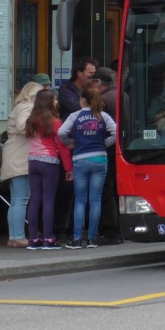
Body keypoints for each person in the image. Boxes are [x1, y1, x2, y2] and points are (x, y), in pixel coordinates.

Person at [58, 83, 117, 249]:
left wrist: (70, 142)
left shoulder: (74, 116)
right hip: (100, 159)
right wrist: (104, 143)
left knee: (80, 200)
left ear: (83, 99)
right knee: (96, 199)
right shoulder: (102, 116)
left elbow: (61, 132)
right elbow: (116, 133)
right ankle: (92, 238)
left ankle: (77, 238)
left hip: (80, 159)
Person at [25, 89, 72, 250]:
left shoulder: (30, 120)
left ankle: (33, 239)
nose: (56, 102)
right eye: (54, 100)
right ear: (48, 102)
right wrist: (68, 168)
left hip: (33, 161)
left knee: (35, 199)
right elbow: (62, 147)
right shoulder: (54, 121)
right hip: (49, 161)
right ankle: (48, 238)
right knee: (48, 200)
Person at [2, 82, 40, 248]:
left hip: (14, 156)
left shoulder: (19, 106)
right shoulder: (26, 107)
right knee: (21, 199)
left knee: (17, 199)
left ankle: (14, 236)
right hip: (20, 158)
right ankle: (18, 236)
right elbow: (23, 127)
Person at [93, 67, 122, 245]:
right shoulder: (123, 95)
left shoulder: (102, 100)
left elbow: (97, 126)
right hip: (120, 149)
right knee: (116, 190)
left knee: (105, 190)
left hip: (106, 150)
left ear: (98, 83)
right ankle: (119, 227)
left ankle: (111, 231)